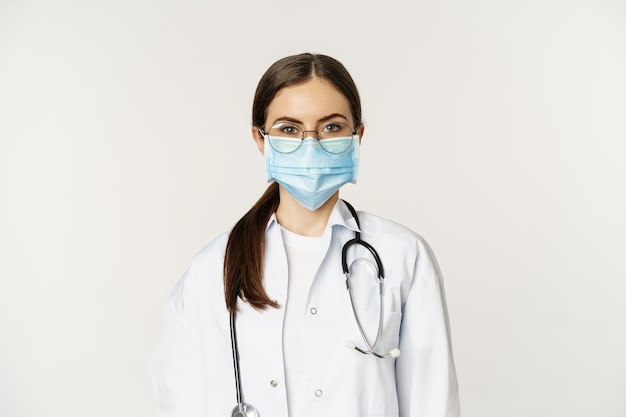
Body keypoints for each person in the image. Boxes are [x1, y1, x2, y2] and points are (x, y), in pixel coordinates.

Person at [150, 52, 460, 417]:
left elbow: (431, 401)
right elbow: (179, 399)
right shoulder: (211, 269)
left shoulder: (402, 256)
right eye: (289, 129)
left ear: (357, 136)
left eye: (331, 127)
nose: (310, 145)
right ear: (260, 139)